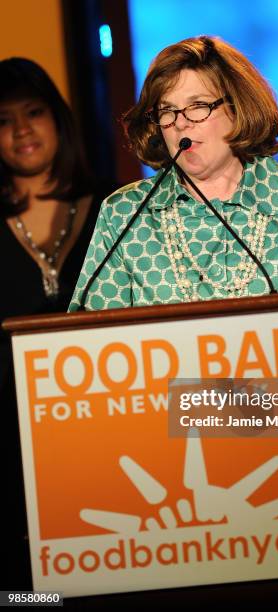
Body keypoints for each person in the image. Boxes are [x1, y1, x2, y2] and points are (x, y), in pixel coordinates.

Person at [69, 35, 278, 333]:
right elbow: (94, 335)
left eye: (198, 106)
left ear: (237, 107)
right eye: (167, 111)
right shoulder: (125, 215)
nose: (181, 122)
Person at [0, 57, 114, 589]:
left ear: (58, 120)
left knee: (101, 585)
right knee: (28, 596)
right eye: (2, 120)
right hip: (12, 463)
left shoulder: (118, 209)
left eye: (34, 112)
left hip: (108, 443)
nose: (21, 130)